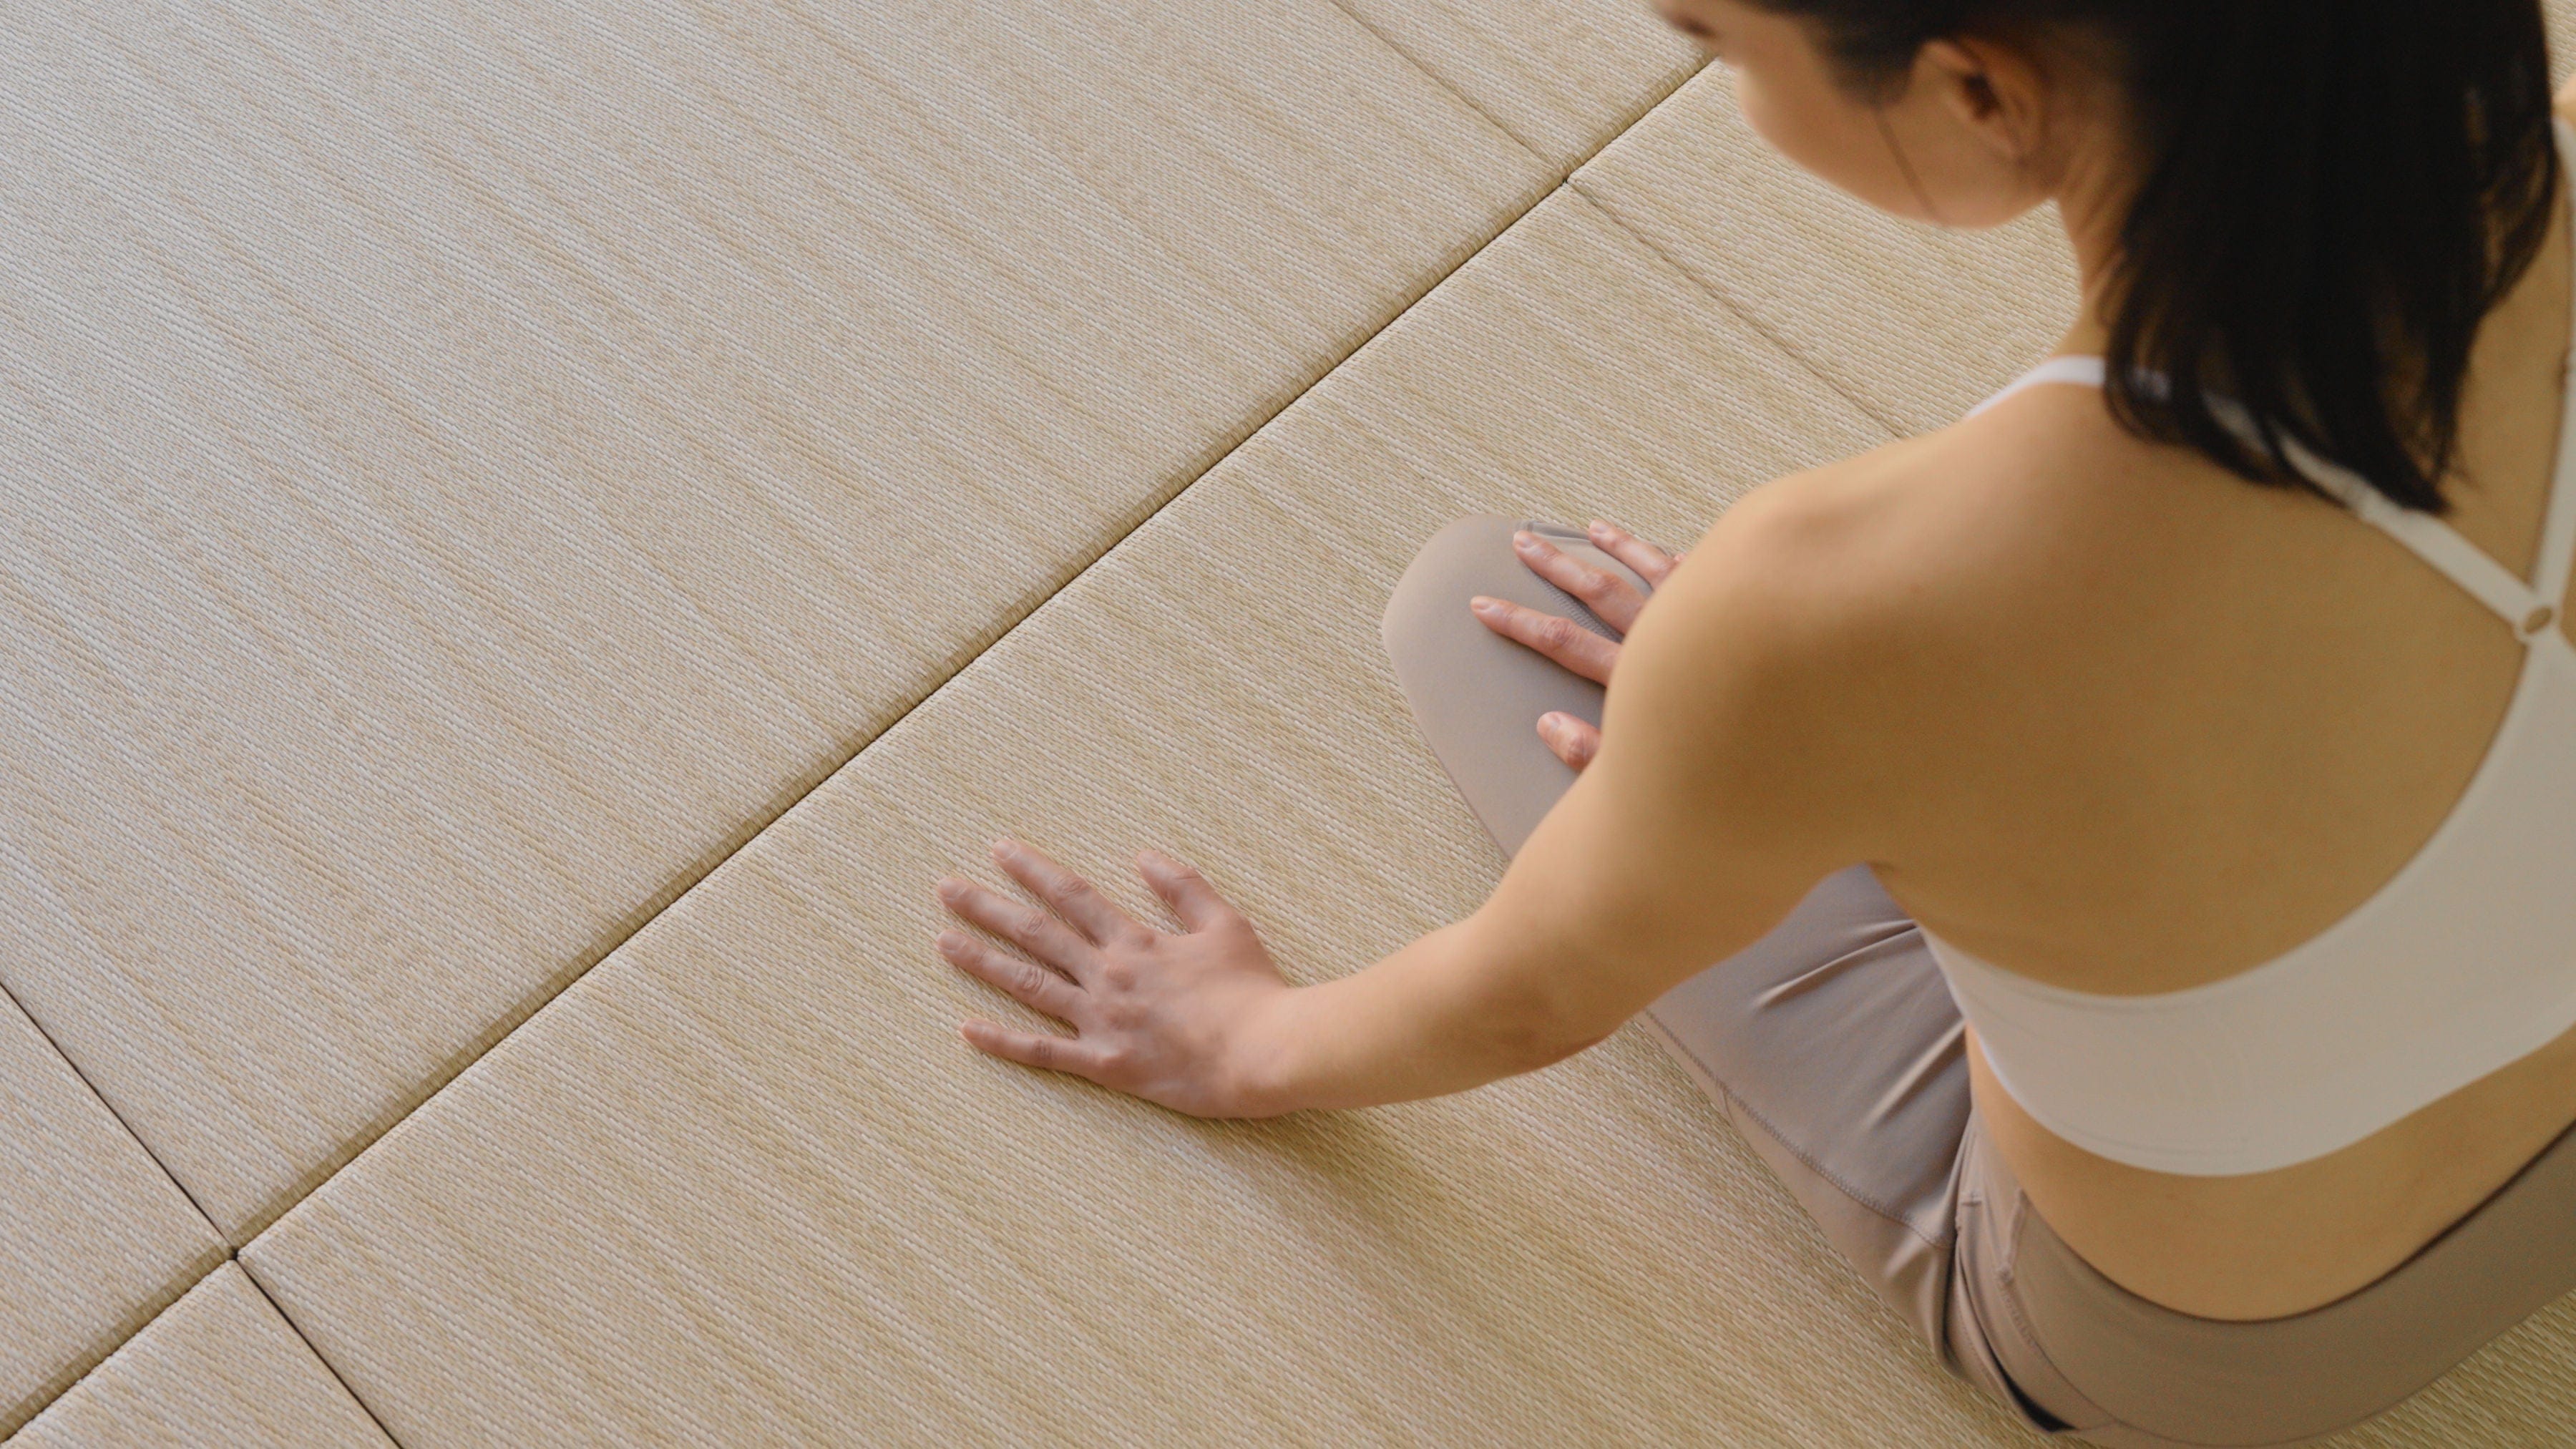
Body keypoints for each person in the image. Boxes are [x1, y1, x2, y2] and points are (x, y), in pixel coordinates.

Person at [930, 2, 2576, 1441]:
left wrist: (1237, 1040)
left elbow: (1527, 999)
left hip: (2238, 1359)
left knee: (1475, 603)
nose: (1726, 89)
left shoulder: (1835, 600)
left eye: (1715, 40)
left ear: (1978, 92)